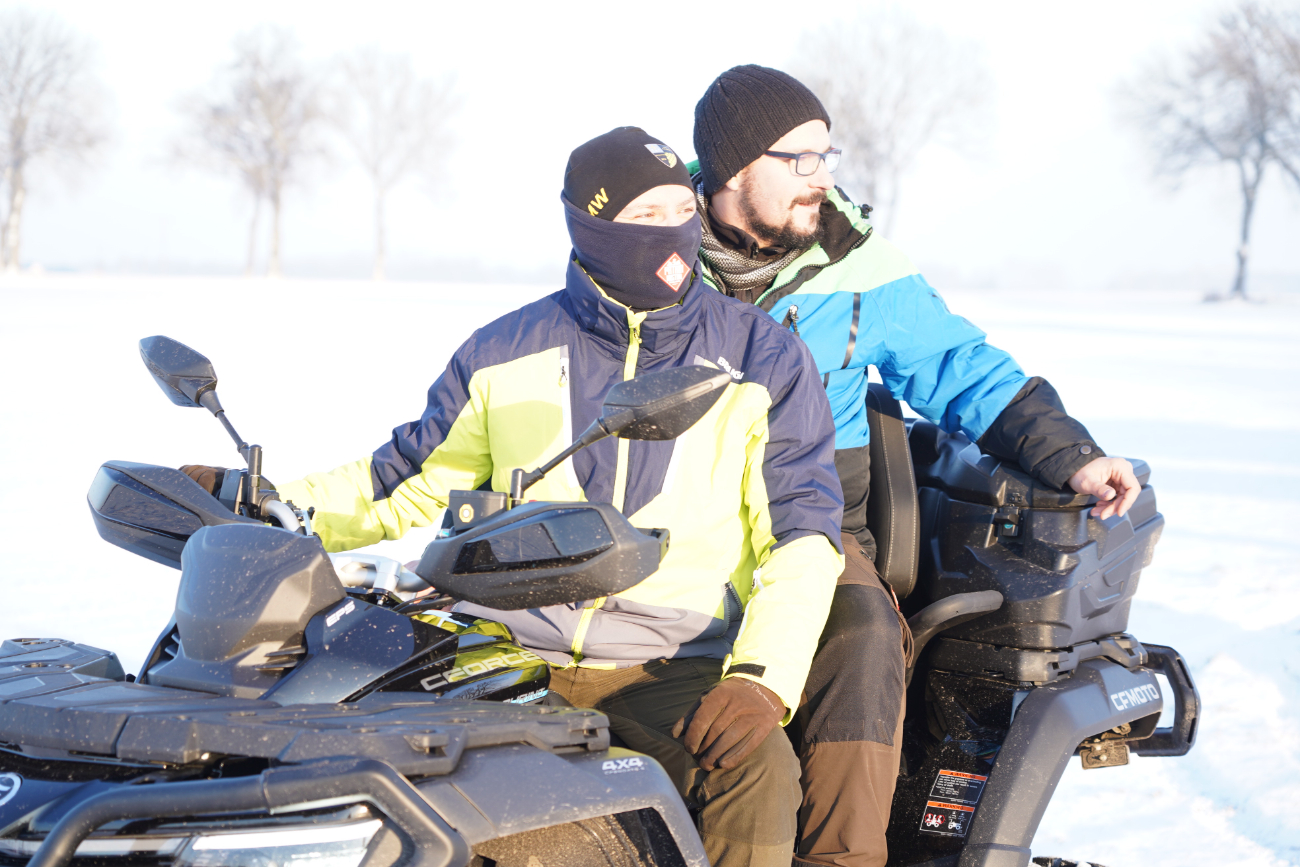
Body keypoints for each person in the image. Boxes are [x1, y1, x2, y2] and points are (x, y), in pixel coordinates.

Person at [184, 127, 845, 867]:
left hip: (667, 660)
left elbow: (803, 536)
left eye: (681, 211)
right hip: (500, 649)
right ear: (592, 229)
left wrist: (761, 679)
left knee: (755, 768)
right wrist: (258, 503)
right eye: (647, 216)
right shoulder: (504, 350)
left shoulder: (763, 358)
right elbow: (402, 482)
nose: (673, 232)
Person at [689, 65, 1143, 867]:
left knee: (864, 634)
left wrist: (1070, 454)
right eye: (800, 159)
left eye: (827, 154)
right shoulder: (653, 251)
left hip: (814, 522)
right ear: (734, 168)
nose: (822, 176)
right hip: (674, 522)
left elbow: (958, 367)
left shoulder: (859, 266)